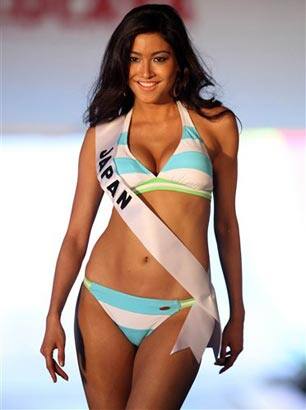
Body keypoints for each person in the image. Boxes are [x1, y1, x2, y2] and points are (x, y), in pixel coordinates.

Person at [40, 3, 245, 409]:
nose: (145, 72)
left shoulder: (216, 125)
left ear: (179, 63)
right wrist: (53, 314)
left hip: (182, 310)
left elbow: (226, 226)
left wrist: (237, 313)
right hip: (102, 302)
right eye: (134, 59)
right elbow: (77, 234)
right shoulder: (102, 135)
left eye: (158, 59)